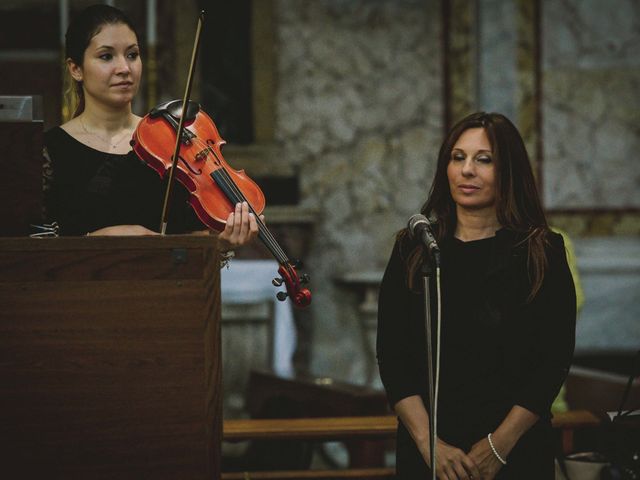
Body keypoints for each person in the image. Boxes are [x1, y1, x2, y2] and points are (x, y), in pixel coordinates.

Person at [376, 112, 576, 479]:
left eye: (484, 159)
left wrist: (499, 446)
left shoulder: (540, 250)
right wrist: (429, 444)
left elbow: (552, 360)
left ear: (509, 171)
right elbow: (393, 358)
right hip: (429, 454)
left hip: (516, 451)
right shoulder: (415, 247)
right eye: (458, 157)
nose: (467, 170)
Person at [43, 4, 258, 251]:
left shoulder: (170, 142)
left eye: (132, 54)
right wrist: (99, 240)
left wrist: (220, 246)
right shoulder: (51, 151)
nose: (124, 68)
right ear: (75, 69)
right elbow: (32, 252)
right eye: (106, 56)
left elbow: (192, 244)